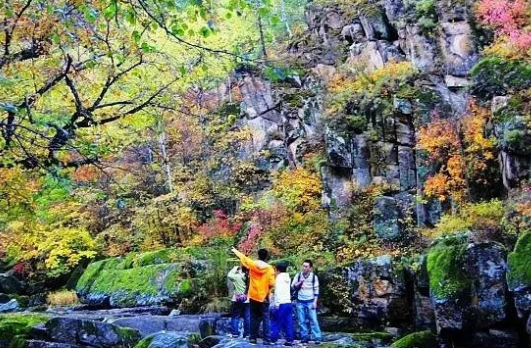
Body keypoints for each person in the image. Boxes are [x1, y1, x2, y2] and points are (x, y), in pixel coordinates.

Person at [231, 247, 275, 345]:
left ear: (258, 255)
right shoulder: (269, 269)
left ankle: (252, 338)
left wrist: (235, 251)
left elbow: (243, 258)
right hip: (264, 296)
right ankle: (267, 340)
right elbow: (272, 283)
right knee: (265, 318)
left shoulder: (253, 264)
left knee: (253, 317)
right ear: (267, 257)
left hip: (253, 295)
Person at [291, 260, 322, 344]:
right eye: (303, 266)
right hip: (300, 301)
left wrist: (315, 302)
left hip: (310, 301)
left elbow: (316, 290)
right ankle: (304, 337)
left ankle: (317, 337)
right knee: (301, 321)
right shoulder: (298, 276)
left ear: (310, 268)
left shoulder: (313, 277)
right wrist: (300, 282)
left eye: (306, 266)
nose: (304, 268)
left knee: (313, 320)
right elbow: (293, 287)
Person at [270, 261, 294, 346]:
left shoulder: (279, 278)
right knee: (288, 322)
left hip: (281, 303)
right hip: (288, 302)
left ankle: (273, 339)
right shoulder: (288, 277)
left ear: (278, 270)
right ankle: (289, 340)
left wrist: (276, 303)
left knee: (276, 321)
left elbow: (277, 292)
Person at [227, 265, 250, 338]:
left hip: (237, 299)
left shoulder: (237, 277)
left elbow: (229, 275)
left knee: (235, 317)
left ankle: (235, 333)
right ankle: (247, 334)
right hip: (247, 299)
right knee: (247, 317)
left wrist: (235, 268)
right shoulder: (249, 277)